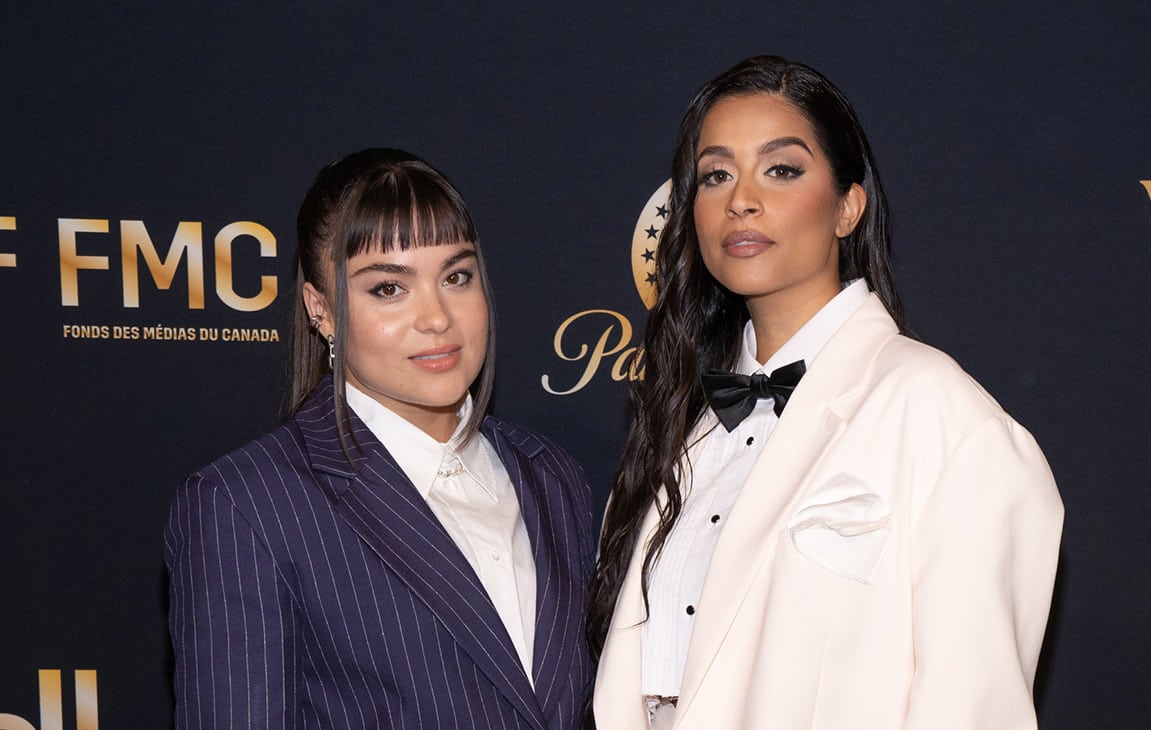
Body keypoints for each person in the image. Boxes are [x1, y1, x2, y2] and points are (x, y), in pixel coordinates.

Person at [588, 56, 1063, 729]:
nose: (740, 200)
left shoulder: (947, 422)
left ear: (846, 207)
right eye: (716, 174)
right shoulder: (679, 431)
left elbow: (972, 708)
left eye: (781, 169)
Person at [165, 148, 594, 729]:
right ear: (322, 310)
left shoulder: (552, 477)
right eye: (389, 289)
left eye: (456, 276)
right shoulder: (245, 507)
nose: (437, 317)